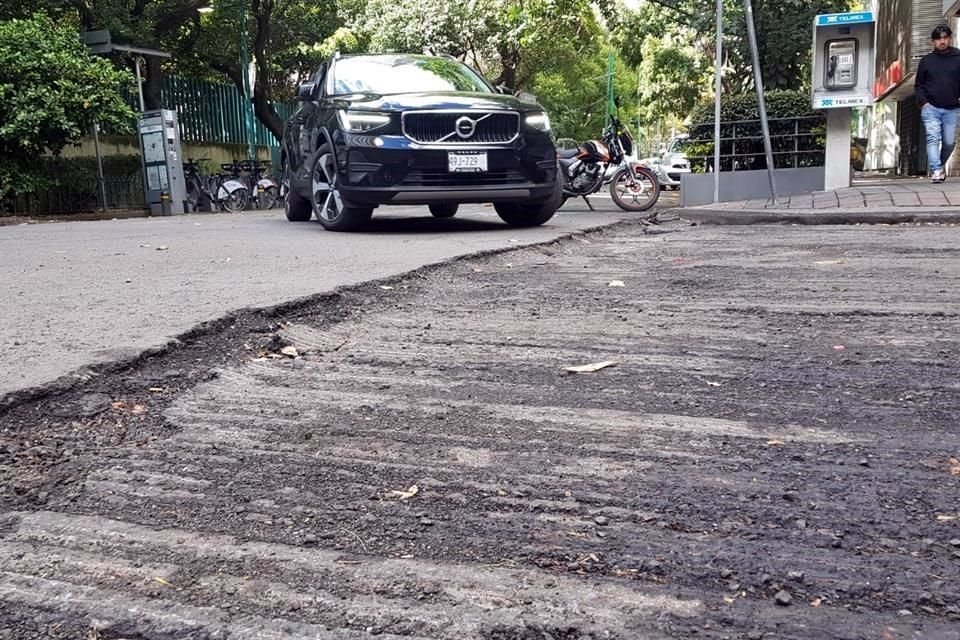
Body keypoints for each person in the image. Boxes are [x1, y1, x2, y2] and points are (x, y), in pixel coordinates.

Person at [915, 25, 960, 183]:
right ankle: (936, 170)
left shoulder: (958, 57)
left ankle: (939, 167)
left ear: (950, 38)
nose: (942, 41)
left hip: (952, 108)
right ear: (932, 42)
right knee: (932, 138)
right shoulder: (926, 61)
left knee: (949, 142)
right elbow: (919, 85)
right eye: (939, 38)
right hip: (931, 108)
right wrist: (924, 102)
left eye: (945, 37)